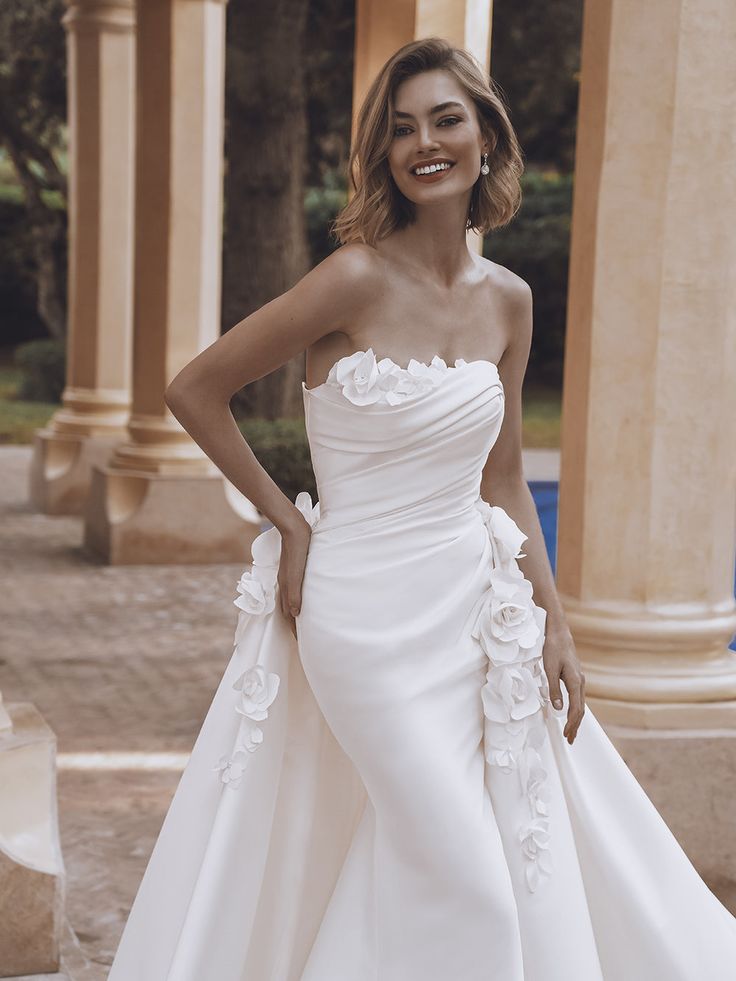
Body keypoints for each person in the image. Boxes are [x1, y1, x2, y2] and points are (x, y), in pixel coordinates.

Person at [107, 37, 736, 981]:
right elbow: (196, 388)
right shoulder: (352, 278)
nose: (425, 142)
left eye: (446, 119)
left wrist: (555, 622)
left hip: (472, 614)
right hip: (359, 614)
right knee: (464, 868)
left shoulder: (511, 303)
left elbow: (505, 476)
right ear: (384, 153)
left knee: (418, 855)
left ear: (487, 135)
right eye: (402, 128)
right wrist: (288, 522)